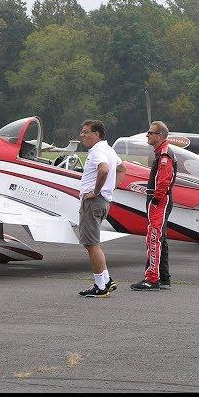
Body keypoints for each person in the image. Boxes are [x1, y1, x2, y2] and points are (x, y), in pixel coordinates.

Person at [78, 120, 127, 298]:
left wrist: (96, 191)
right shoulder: (109, 150)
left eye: (85, 132)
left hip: (93, 202)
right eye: (82, 132)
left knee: (91, 244)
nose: (82, 135)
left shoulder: (97, 151)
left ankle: (100, 287)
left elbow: (104, 170)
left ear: (96, 134)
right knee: (93, 244)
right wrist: (110, 189)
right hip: (103, 202)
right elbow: (122, 169)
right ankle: (106, 280)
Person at [131, 121, 177, 291]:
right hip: (161, 200)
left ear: (160, 136)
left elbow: (164, 181)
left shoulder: (164, 155)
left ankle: (152, 279)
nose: (147, 135)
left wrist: (156, 201)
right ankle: (164, 278)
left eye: (150, 133)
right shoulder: (162, 153)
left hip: (159, 201)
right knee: (160, 239)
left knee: (153, 238)